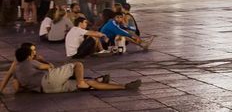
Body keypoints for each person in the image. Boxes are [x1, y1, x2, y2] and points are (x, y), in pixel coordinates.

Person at [0, 42, 138, 94]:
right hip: (47, 80)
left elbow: (17, 86)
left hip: (45, 90)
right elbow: (49, 67)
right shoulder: (30, 62)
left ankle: (123, 86)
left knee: (89, 83)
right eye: (33, 52)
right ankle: (82, 82)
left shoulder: (16, 69)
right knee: (77, 65)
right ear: (28, 55)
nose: (34, 53)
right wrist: (42, 60)